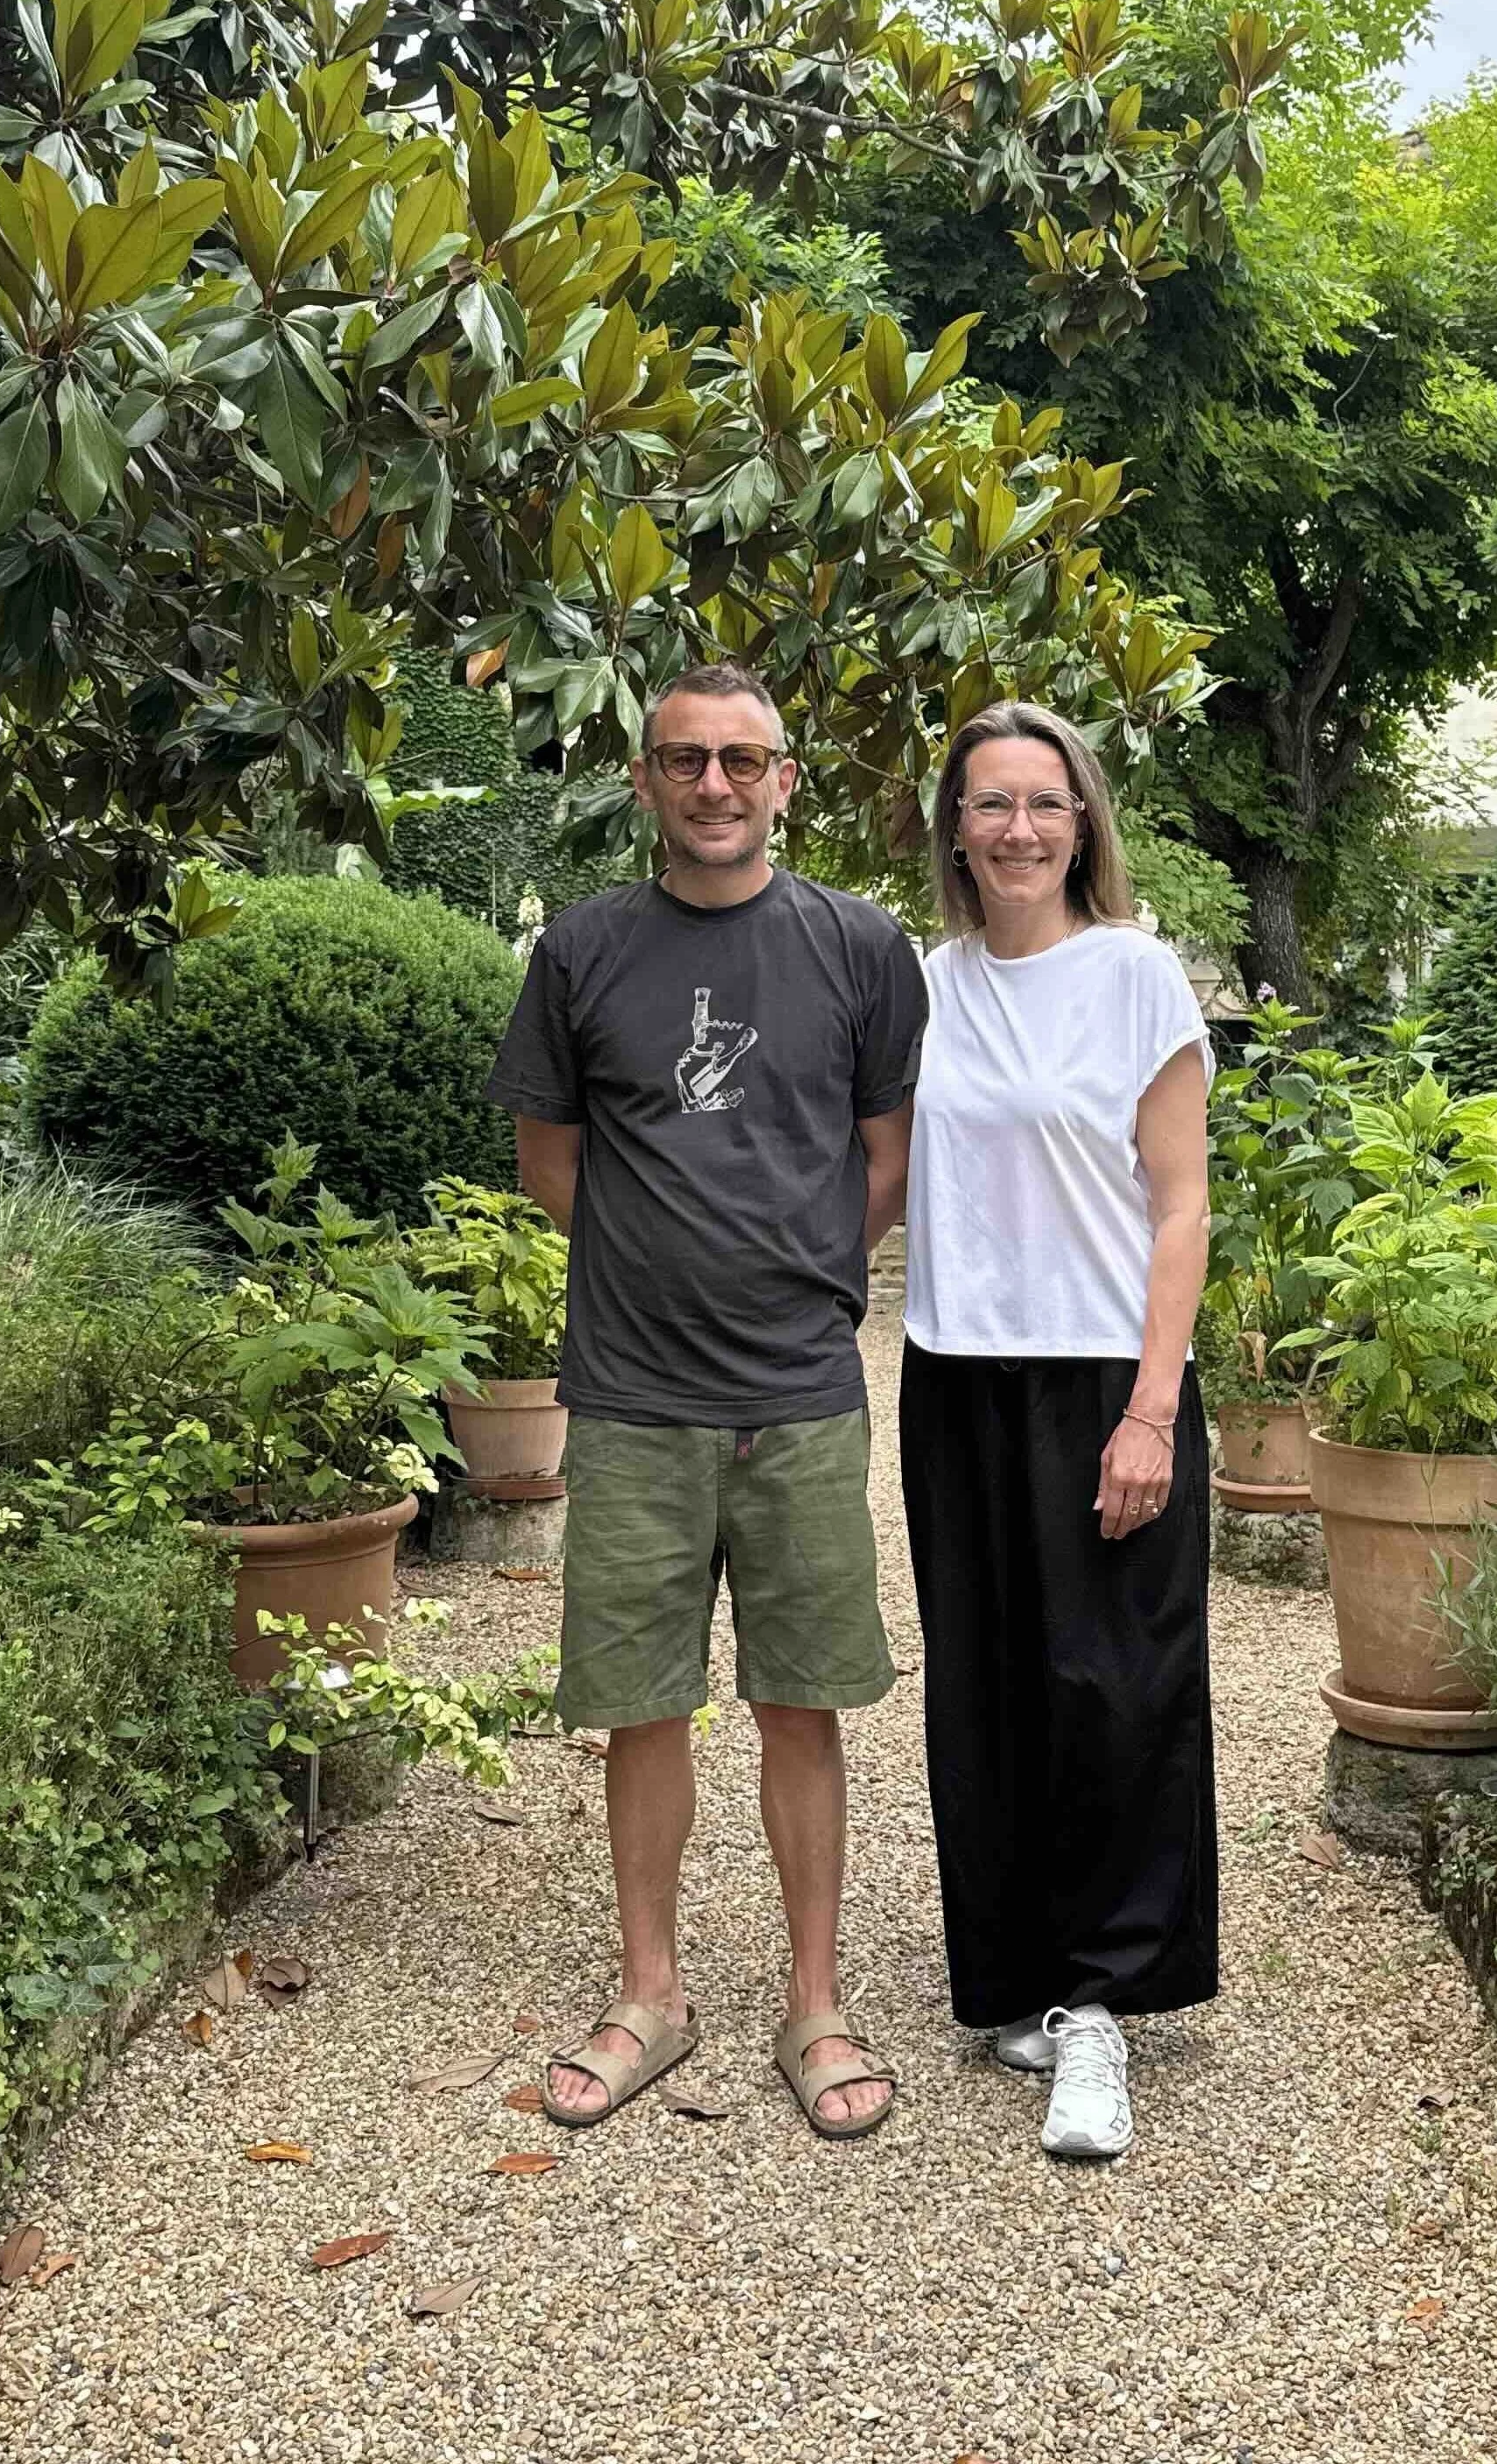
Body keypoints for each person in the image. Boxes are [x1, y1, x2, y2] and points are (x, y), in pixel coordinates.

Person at [486, 662, 926, 2141]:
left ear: (786, 780)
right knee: (641, 1706)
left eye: (744, 760)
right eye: (686, 760)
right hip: (632, 1395)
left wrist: (800, 1281)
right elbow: (552, 1163)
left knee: (802, 1700)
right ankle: (652, 1995)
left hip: (799, 1392)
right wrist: (659, 1269)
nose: (716, 785)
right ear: (646, 781)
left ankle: (816, 2003)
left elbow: (885, 1156)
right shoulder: (581, 949)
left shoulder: (860, 947)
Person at [899, 699, 1217, 2162]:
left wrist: (1153, 1409)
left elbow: (1181, 1205)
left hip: (1105, 1377)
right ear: (955, 830)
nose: (1019, 828)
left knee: (1114, 1687)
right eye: (991, 803)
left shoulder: (1135, 975)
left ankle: (1100, 2007)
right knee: (984, 1687)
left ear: (1083, 822)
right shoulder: (923, 988)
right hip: (956, 1372)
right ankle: (1016, 1977)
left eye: (1045, 802)